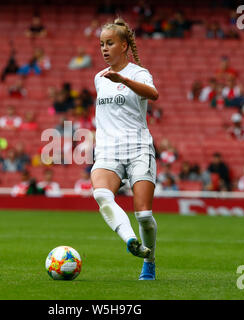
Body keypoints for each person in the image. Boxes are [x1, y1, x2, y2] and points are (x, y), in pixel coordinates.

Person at [91, 18, 159, 280]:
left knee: (143, 214)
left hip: (138, 148)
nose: (104, 49)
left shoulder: (138, 73)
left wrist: (124, 80)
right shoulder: (98, 77)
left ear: (124, 45)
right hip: (108, 150)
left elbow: (153, 94)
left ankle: (149, 261)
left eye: (109, 43)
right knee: (101, 195)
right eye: (101, 45)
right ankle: (131, 241)